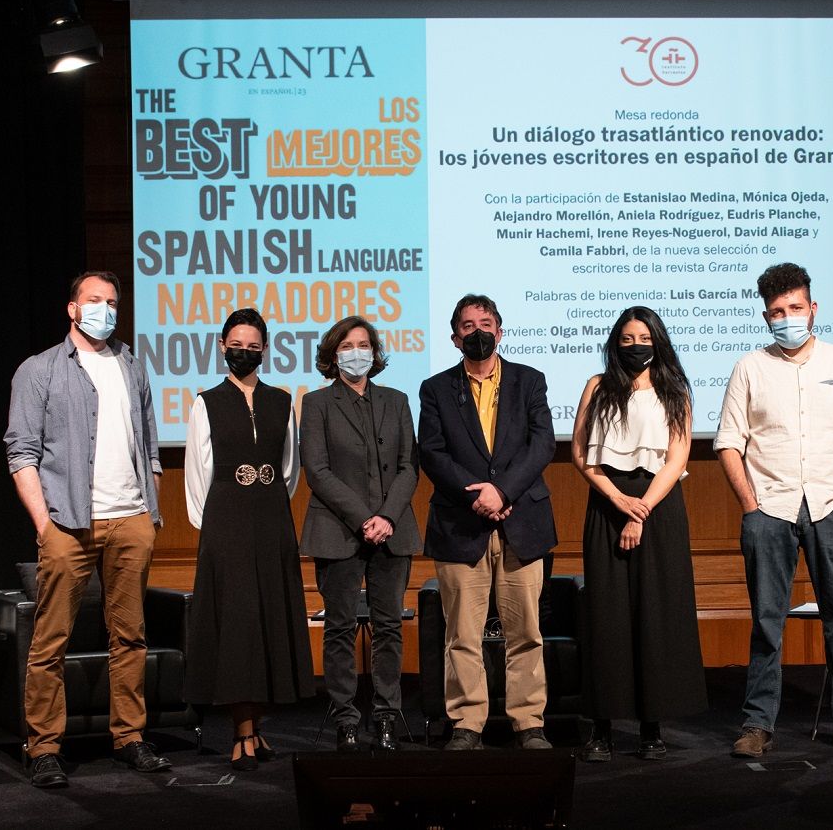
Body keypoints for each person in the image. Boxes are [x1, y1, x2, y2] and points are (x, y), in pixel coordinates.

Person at [5, 271, 171, 788]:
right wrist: (44, 524)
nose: (106, 308)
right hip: (68, 522)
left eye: (113, 302)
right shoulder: (40, 370)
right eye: (95, 300)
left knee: (131, 636)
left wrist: (151, 514)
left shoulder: (131, 365)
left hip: (130, 519)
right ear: (72, 308)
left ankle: (130, 737)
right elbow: (21, 453)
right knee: (50, 639)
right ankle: (45, 747)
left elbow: (149, 447)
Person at [714, 262, 833, 758]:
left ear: (813, 308)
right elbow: (728, 443)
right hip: (770, 509)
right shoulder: (750, 366)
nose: (786, 318)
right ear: (766, 317)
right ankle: (757, 725)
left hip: (832, 506)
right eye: (775, 313)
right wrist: (751, 504)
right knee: (767, 622)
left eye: (794, 308)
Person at [418, 294, 557, 750]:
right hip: (461, 523)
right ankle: (467, 723)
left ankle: (528, 721)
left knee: (526, 632)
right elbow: (433, 453)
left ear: (500, 330)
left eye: (485, 323)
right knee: (462, 634)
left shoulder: (528, 381)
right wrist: (477, 495)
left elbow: (542, 445)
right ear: (454, 336)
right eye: (467, 325)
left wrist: (504, 491)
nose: (477, 331)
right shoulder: (436, 388)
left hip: (522, 520)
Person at [570, 307, 707, 762]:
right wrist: (618, 501)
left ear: (658, 341)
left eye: (643, 337)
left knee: (656, 614)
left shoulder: (675, 390)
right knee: (607, 617)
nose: (634, 345)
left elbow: (677, 457)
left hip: (658, 505)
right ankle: (602, 729)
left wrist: (640, 511)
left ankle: (652, 727)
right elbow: (580, 452)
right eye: (626, 339)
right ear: (615, 342)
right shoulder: (598, 385)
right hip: (608, 501)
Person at [183, 308, 315, 771]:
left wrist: (268, 507)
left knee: (267, 619)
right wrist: (216, 529)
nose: (245, 351)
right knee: (238, 624)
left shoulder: (282, 401)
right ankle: (241, 732)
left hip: (272, 520)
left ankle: (256, 729)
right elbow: (198, 475)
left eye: (253, 345)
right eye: (236, 344)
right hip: (226, 522)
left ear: (264, 350)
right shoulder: (206, 402)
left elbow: (289, 471)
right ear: (222, 346)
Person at [299, 316, 421, 752]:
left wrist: (386, 516)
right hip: (337, 530)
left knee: (389, 626)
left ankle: (387, 715)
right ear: (334, 355)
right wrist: (362, 518)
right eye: (348, 345)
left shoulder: (397, 399)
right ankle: (346, 718)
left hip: (393, 529)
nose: (358, 352)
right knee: (340, 627)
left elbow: (409, 465)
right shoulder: (315, 404)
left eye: (365, 344)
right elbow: (317, 470)